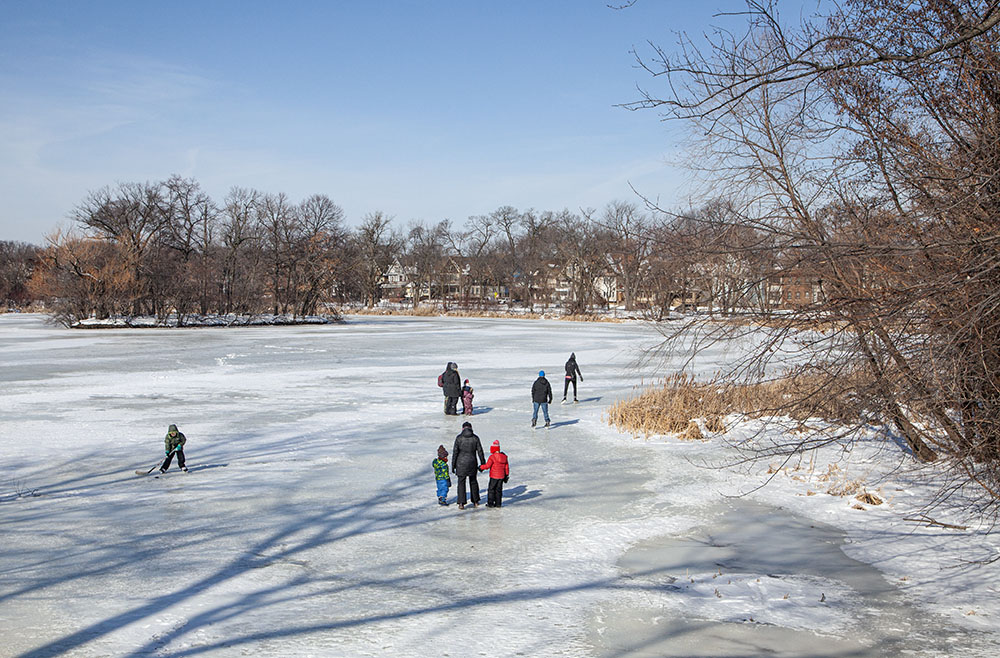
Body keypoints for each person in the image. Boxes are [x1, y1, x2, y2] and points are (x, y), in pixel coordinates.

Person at [451, 421, 485, 509]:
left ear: (463, 428)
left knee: (461, 483)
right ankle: (475, 501)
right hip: (472, 462)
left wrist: (453, 465)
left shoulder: (459, 438)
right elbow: (480, 451)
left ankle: (461, 503)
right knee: (473, 481)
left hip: (460, 463)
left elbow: (455, 452)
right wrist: (483, 463)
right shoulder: (475, 438)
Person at [479, 439, 510, 508]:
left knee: (491, 490)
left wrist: (481, 467)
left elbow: (487, 466)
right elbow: (506, 467)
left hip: (494, 476)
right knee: (498, 490)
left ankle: (490, 503)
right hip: (501, 476)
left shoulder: (492, 457)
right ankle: (498, 503)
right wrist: (506, 475)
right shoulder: (504, 457)